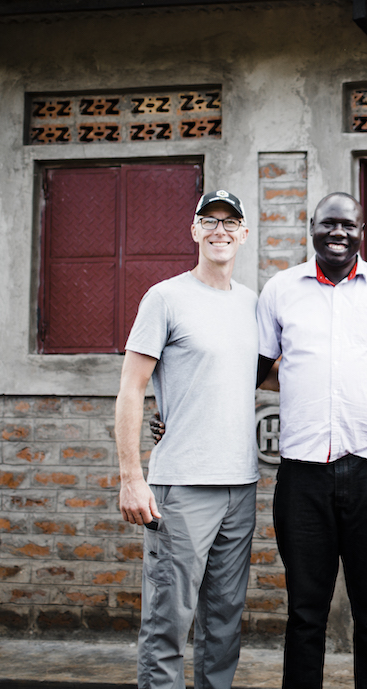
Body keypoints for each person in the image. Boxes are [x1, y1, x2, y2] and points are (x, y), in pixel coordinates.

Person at [256, 191, 367, 689]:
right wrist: (178, 410)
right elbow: (251, 371)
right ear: (311, 228)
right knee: (304, 615)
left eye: (349, 226)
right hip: (302, 477)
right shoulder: (280, 290)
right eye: (328, 224)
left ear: (361, 232)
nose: (339, 233)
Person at [114, 189, 259, 689]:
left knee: (224, 625)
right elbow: (132, 388)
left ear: (244, 233)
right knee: (168, 623)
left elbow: (269, 374)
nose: (220, 230)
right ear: (194, 230)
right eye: (209, 220)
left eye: (230, 222)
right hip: (181, 488)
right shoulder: (165, 297)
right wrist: (132, 478)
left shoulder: (252, 305)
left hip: (241, 486)